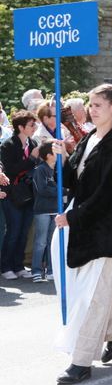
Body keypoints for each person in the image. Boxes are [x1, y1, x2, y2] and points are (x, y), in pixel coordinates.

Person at [52, 84, 112, 385]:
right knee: (89, 293)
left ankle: (81, 360)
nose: (93, 109)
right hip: (87, 228)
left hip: (107, 230)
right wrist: (63, 159)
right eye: (91, 104)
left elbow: (107, 194)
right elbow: (75, 180)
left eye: (99, 104)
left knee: (93, 300)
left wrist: (72, 217)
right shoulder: (89, 138)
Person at [0, 110, 39, 280]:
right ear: (21, 127)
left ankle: (18, 265)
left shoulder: (33, 143)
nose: (34, 127)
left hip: (28, 193)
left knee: (24, 231)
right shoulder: (8, 145)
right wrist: (31, 158)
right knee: (13, 230)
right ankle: (6, 266)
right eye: (31, 125)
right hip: (12, 194)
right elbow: (11, 170)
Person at [31, 141, 58, 282]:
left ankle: (51, 270)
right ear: (48, 155)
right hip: (42, 210)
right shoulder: (40, 170)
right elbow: (42, 190)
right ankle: (36, 271)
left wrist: (60, 190)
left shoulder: (57, 168)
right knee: (40, 242)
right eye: (55, 152)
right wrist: (60, 191)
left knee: (51, 242)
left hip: (55, 209)